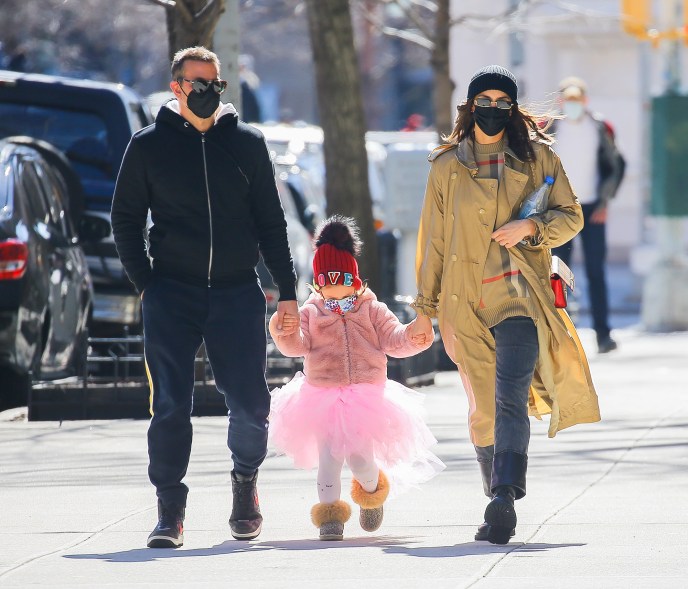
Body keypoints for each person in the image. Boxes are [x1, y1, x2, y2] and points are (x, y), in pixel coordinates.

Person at [111, 46, 299, 548]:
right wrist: (146, 282)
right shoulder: (148, 146)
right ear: (177, 87)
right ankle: (169, 511)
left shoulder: (247, 143)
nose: (208, 92)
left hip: (237, 291)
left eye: (215, 84)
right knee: (171, 404)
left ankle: (244, 485)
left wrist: (287, 292)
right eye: (198, 83)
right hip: (170, 291)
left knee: (250, 403)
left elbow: (271, 223)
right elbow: (125, 219)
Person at [410, 65, 601, 545]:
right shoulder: (445, 165)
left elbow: (571, 214)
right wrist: (423, 309)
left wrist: (531, 229)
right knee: (483, 404)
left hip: (519, 294)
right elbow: (432, 242)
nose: (492, 108)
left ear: (512, 109)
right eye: (484, 100)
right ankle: (494, 495)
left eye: (502, 101)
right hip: (462, 301)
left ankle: (504, 495)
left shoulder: (537, 158)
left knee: (510, 395)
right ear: (469, 106)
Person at [268, 216, 444, 541]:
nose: (335, 286)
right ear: (318, 282)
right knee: (328, 460)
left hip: (365, 397)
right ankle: (330, 516)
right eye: (327, 279)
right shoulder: (311, 312)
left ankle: (371, 489)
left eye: (342, 278)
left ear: (354, 277)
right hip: (323, 397)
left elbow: (393, 337)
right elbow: (297, 344)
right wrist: (283, 333)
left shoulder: (371, 309)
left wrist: (412, 338)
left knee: (361, 459)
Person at [552, 76, 625, 353]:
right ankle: (560, 337)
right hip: (559, 209)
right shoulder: (550, 129)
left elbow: (615, 165)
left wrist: (605, 202)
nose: (573, 105)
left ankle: (603, 335)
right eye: (568, 100)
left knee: (596, 273)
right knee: (557, 275)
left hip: (593, 209)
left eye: (577, 99)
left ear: (585, 100)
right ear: (561, 102)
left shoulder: (600, 128)